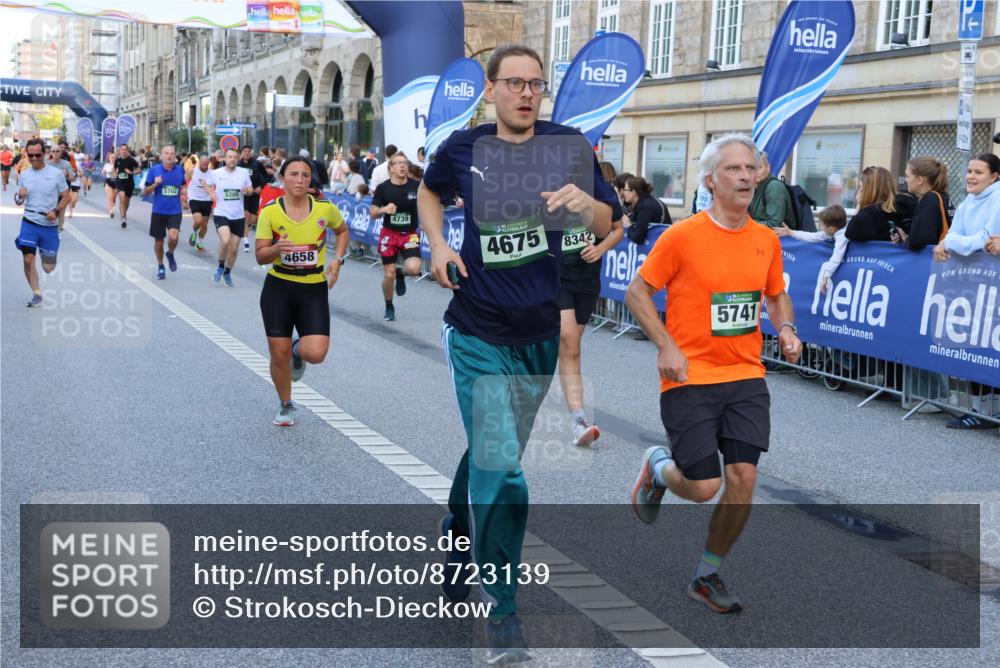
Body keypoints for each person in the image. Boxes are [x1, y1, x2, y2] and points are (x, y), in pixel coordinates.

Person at [418, 44, 616, 663]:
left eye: (536, 84)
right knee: (504, 467)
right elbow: (429, 193)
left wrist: (589, 207)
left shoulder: (570, 145)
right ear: (491, 89)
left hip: (536, 336)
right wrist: (439, 246)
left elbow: (611, 215)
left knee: (491, 452)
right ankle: (501, 612)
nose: (526, 94)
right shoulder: (464, 148)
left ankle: (455, 534)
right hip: (476, 326)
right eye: (514, 83)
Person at [627, 133, 801, 615]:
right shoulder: (683, 236)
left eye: (750, 168)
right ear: (709, 181)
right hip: (690, 375)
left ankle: (707, 574)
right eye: (733, 169)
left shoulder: (766, 239)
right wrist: (666, 345)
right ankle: (660, 469)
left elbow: (775, 293)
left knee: (743, 477)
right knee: (704, 488)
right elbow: (636, 293)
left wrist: (785, 326)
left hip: (746, 374)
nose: (746, 176)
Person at [255, 156, 349, 426]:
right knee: (278, 353)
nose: (299, 179)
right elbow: (260, 256)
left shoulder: (323, 208)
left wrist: (337, 260)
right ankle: (286, 404)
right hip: (279, 287)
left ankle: (298, 350)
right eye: (293, 174)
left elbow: (342, 231)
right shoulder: (270, 212)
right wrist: (276, 249)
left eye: (305, 175)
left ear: (311, 180)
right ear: (282, 178)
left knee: (316, 353)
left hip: (313, 287)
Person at [559, 162, 625, 446]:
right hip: (555, 275)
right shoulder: (547, 185)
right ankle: (578, 418)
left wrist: (600, 248)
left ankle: (577, 422)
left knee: (569, 350)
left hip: (586, 279)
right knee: (569, 341)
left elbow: (618, 229)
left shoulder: (600, 190)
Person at [932, 153, 1000, 430]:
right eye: (969, 171)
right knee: (974, 343)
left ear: (994, 176)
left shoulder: (997, 198)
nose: (971, 176)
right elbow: (955, 236)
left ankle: (987, 410)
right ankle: (978, 409)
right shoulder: (968, 201)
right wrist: (951, 242)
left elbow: (982, 240)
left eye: (979, 172)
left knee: (989, 344)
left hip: (991, 283)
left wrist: (952, 243)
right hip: (970, 286)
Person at [13, 138, 70, 307]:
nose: (34, 158)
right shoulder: (24, 175)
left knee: (48, 267)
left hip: (49, 225)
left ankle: (50, 257)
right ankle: (36, 292)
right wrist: (20, 196)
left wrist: (56, 212)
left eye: (38, 154)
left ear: (44, 154)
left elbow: (66, 196)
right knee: (28, 259)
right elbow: (17, 200)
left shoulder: (56, 174)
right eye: (31, 155)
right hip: (29, 221)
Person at [372, 151, 421, 321]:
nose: (402, 165)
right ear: (390, 168)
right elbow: (373, 212)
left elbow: (429, 202)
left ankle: (402, 273)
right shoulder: (383, 188)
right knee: (388, 274)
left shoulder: (416, 186)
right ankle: (389, 305)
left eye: (405, 163)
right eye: (398, 163)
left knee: (414, 269)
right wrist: (383, 210)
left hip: (409, 235)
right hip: (389, 235)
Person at [205, 148, 254, 287]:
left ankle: (227, 272)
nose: (232, 159)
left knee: (234, 248)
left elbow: (250, 189)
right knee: (225, 240)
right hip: (221, 213)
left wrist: (247, 191)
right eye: (229, 157)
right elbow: (207, 185)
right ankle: (220, 265)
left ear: (237, 159)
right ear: (224, 159)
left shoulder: (243, 173)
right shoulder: (215, 173)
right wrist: (211, 193)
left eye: (234, 157)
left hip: (238, 216)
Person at [774, 204, 848, 294]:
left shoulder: (842, 237)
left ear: (832, 229)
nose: (821, 227)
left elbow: (837, 257)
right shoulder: (833, 231)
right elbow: (812, 236)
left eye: (822, 225)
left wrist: (826, 277)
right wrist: (790, 232)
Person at [142, 145, 187, 280]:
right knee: (159, 242)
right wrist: (155, 184)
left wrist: (184, 195)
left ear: (175, 156)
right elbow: (145, 192)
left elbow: (183, 185)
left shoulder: (180, 170)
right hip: (159, 211)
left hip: (175, 210)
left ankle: (171, 253)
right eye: (166, 153)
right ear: (162, 156)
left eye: (172, 154)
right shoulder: (154, 170)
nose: (169, 156)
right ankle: (161, 266)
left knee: (173, 237)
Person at [892, 156, 953, 250]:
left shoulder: (929, 200)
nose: (905, 180)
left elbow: (919, 241)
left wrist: (907, 240)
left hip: (933, 261)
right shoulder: (942, 196)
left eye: (908, 176)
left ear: (920, 180)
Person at [844, 166, 916, 242]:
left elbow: (849, 234)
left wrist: (860, 204)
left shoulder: (867, 215)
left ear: (868, 189)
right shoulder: (908, 205)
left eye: (862, 187)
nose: (860, 190)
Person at [748, 152, 794, 229]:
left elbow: (774, 224)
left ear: (768, 168)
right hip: (758, 233)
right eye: (751, 168)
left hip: (780, 238)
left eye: (759, 168)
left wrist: (745, 225)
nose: (755, 173)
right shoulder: (753, 186)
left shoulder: (774, 187)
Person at [621, 176, 668, 244]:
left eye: (625, 190)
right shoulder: (645, 201)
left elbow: (637, 238)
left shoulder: (645, 207)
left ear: (634, 192)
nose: (623, 193)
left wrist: (628, 225)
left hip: (660, 244)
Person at [239, 146, 266, 253]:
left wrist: (261, 186)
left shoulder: (256, 164)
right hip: (243, 194)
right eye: (245, 151)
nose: (247, 153)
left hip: (254, 193)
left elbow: (266, 176)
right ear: (241, 153)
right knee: (246, 216)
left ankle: (248, 226)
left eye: (249, 151)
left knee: (254, 219)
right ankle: (246, 241)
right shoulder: (238, 165)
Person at [186, 154, 214, 252]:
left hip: (207, 200)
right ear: (199, 163)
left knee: (205, 225)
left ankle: (199, 243)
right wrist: (186, 193)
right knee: (198, 221)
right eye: (202, 163)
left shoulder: (212, 173)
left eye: (206, 164)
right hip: (194, 198)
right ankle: (194, 232)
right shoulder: (193, 171)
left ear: (208, 163)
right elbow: (186, 180)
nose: (204, 165)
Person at [47, 145, 75, 234]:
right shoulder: (47, 164)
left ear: (61, 153)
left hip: (63, 194)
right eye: (53, 151)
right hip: (50, 194)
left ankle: (57, 232)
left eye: (57, 151)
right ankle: (50, 230)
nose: (55, 153)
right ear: (51, 153)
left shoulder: (66, 164)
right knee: (50, 213)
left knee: (61, 213)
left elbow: (72, 178)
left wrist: (66, 174)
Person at [113, 143, 139, 228]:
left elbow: (139, 170)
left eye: (125, 149)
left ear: (127, 151)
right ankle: (123, 218)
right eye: (122, 149)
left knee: (126, 202)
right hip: (120, 181)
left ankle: (123, 213)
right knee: (122, 197)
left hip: (129, 183)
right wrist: (115, 174)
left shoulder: (131, 160)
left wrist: (131, 172)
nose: (123, 151)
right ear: (120, 151)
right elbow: (114, 169)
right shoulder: (118, 160)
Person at [101, 151, 118, 218]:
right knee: (110, 197)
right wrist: (106, 173)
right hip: (109, 182)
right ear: (109, 158)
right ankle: (111, 211)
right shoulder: (106, 165)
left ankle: (113, 207)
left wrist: (115, 173)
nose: (113, 159)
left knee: (114, 198)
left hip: (116, 182)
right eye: (111, 157)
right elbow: (103, 173)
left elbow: (119, 174)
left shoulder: (118, 165)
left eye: (114, 157)